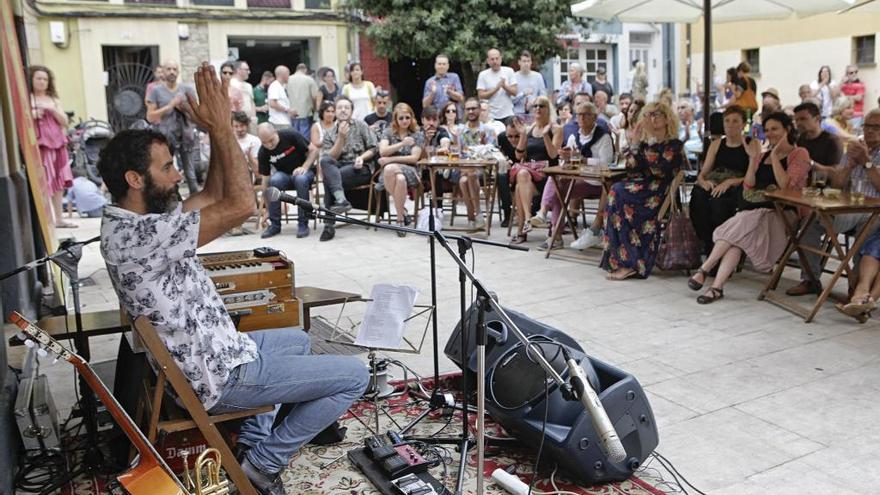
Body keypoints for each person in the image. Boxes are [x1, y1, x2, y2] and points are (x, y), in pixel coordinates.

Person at [97, 64, 368, 495]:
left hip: (218, 350)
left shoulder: (134, 221)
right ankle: (263, 464)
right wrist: (224, 127)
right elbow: (241, 205)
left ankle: (255, 443)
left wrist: (212, 132)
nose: (178, 175)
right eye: (167, 168)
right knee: (356, 376)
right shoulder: (140, 236)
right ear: (135, 179)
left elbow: (213, 196)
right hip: (218, 377)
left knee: (296, 339)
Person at [688, 111, 810, 304]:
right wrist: (753, 160)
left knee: (741, 223)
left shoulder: (799, 154)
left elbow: (787, 187)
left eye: (775, 129)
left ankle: (704, 269)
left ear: (787, 130)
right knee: (738, 238)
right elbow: (748, 186)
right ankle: (716, 287)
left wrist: (777, 157)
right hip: (757, 211)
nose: (770, 134)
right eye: (767, 130)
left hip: (783, 213)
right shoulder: (762, 155)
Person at [792, 109, 880, 299]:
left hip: (872, 210)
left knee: (867, 231)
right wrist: (850, 165)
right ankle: (810, 279)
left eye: (876, 127)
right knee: (811, 222)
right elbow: (839, 184)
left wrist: (866, 162)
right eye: (867, 126)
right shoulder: (856, 147)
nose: (870, 131)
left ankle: (855, 288)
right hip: (846, 206)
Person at [601, 101, 684, 281]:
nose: (651, 118)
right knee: (615, 193)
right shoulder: (646, 143)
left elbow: (659, 170)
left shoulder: (674, 145)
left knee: (618, 193)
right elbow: (631, 167)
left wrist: (648, 143)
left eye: (656, 114)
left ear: (667, 119)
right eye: (649, 114)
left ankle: (630, 263)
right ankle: (623, 261)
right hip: (640, 189)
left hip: (659, 192)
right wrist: (636, 142)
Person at [690, 106, 752, 255]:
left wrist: (730, 182)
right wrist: (704, 182)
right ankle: (707, 242)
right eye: (727, 121)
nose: (730, 124)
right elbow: (702, 173)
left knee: (719, 204)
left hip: (737, 186)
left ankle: (720, 246)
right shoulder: (716, 144)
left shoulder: (750, 144)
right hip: (715, 182)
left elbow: (752, 175)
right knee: (698, 197)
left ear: (743, 124)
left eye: (735, 121)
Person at [554, 101, 614, 251]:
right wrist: (565, 156)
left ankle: (547, 220)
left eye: (585, 114)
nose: (581, 118)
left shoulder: (603, 136)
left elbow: (607, 163)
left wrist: (584, 160)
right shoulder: (575, 135)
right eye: (579, 114)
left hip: (598, 182)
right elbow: (567, 162)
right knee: (555, 185)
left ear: (594, 117)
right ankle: (554, 234)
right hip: (580, 178)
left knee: (556, 188)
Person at [319, 97, 377, 241]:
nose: (343, 110)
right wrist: (340, 138)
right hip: (339, 168)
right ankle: (340, 199)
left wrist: (362, 157)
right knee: (325, 162)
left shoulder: (361, 125)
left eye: (346, 107)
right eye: (340, 108)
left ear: (351, 111)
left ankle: (329, 224)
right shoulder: (330, 132)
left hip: (360, 167)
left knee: (329, 179)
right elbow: (330, 157)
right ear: (335, 112)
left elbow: (374, 147)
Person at [509, 95, 562, 244]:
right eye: (535, 106)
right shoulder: (529, 129)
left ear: (548, 109)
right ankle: (528, 219)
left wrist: (545, 135)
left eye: (541, 106)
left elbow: (553, 154)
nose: (538, 108)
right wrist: (523, 135)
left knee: (520, 184)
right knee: (522, 176)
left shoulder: (556, 128)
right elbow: (518, 155)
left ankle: (522, 231)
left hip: (548, 176)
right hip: (529, 175)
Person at [29, 65, 75, 229]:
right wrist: (33, 114)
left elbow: (64, 121)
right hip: (40, 145)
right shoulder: (28, 98)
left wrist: (52, 110)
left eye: (45, 79)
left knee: (59, 180)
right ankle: (46, 218)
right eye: (38, 78)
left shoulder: (53, 99)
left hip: (57, 143)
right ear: (32, 80)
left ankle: (59, 218)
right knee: (44, 179)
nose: (42, 82)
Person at [146, 60, 201, 194]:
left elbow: (197, 113)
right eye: (169, 69)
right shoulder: (156, 91)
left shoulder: (187, 89)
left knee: (190, 170)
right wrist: (170, 106)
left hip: (186, 135)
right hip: (166, 135)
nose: (172, 72)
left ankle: (195, 197)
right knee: (166, 167)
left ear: (178, 72)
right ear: (163, 72)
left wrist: (184, 107)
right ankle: (173, 197)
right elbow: (150, 116)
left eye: (174, 69)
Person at [257, 123, 318, 239]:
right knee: (274, 181)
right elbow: (265, 182)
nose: (269, 145)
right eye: (264, 143)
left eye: (271, 140)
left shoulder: (290, 135)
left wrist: (304, 167)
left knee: (300, 179)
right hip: (285, 175)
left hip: (305, 172)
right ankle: (275, 225)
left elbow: (314, 150)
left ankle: (303, 224)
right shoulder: (263, 152)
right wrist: (268, 209)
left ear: (275, 132)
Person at [377, 103, 423, 235]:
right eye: (401, 118)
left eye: (407, 117)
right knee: (400, 179)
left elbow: (414, 158)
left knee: (390, 168)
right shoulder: (388, 132)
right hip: (389, 175)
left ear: (412, 118)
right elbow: (383, 151)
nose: (404, 121)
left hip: (411, 170)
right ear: (396, 120)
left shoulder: (417, 134)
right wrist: (402, 144)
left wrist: (390, 160)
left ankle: (400, 217)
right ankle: (401, 216)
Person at [457, 98, 498, 229]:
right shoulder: (461, 132)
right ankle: (477, 217)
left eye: (473, 108)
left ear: (479, 110)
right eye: (468, 109)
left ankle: (474, 217)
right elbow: (458, 155)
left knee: (468, 177)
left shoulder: (488, 130)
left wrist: (485, 143)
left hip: (483, 169)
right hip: (464, 168)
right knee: (465, 179)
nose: (471, 111)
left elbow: (492, 154)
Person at [793, 101, 844, 179]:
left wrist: (810, 163)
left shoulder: (833, 141)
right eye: (796, 120)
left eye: (803, 119)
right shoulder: (800, 139)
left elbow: (836, 173)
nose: (799, 123)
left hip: (825, 188)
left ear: (817, 118)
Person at [231, 111, 261, 235]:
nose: (239, 129)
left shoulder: (254, 141)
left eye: (242, 126)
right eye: (236, 126)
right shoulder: (228, 140)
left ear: (247, 125)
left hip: (249, 174)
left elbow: (258, 170)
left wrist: (249, 156)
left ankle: (236, 223)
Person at [476, 48, 517, 122]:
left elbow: (515, 92)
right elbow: (481, 95)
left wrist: (505, 86)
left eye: (497, 59)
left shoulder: (509, 71)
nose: (495, 61)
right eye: (492, 59)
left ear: (501, 59)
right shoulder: (483, 75)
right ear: (488, 61)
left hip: (508, 113)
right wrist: (496, 89)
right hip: (490, 115)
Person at [495, 117, 522, 228]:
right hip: (511, 166)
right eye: (510, 136)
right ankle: (507, 212)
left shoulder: (527, 137)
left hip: (526, 166)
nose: (513, 139)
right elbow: (502, 154)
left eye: (516, 136)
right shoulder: (502, 137)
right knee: (501, 176)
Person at [512, 50, 547, 119]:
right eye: (524, 61)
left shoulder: (538, 76)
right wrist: (523, 94)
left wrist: (534, 102)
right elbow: (511, 100)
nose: (526, 64)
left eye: (528, 61)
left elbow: (544, 97)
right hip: (518, 114)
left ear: (531, 62)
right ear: (519, 62)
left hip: (535, 113)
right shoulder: (513, 77)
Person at [287, 63, 319, 137]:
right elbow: (315, 96)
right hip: (306, 112)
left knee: (294, 135)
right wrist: (315, 108)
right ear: (305, 70)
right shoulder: (309, 79)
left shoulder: (288, 79)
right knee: (305, 135)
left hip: (292, 113)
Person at [267, 65, 295, 130]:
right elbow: (272, 103)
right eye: (288, 74)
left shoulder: (281, 87)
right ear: (283, 75)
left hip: (284, 121)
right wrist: (288, 110)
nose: (289, 76)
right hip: (279, 122)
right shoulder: (275, 86)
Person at [677, 99, 703, 166]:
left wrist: (700, 134)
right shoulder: (675, 129)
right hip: (684, 162)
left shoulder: (701, 125)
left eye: (683, 108)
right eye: (678, 108)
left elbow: (709, 144)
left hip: (701, 161)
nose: (679, 111)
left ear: (692, 110)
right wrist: (685, 138)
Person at [840, 64, 866, 130]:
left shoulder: (860, 84)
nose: (854, 74)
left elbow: (858, 98)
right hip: (844, 115)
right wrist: (841, 82)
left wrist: (844, 97)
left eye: (856, 72)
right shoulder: (843, 85)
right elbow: (834, 95)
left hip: (856, 116)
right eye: (851, 72)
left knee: (853, 135)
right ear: (847, 74)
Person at [230, 60, 256, 126]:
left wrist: (254, 117)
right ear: (238, 70)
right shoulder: (230, 84)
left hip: (250, 121)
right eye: (246, 70)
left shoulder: (249, 86)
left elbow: (252, 102)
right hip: (237, 121)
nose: (249, 72)